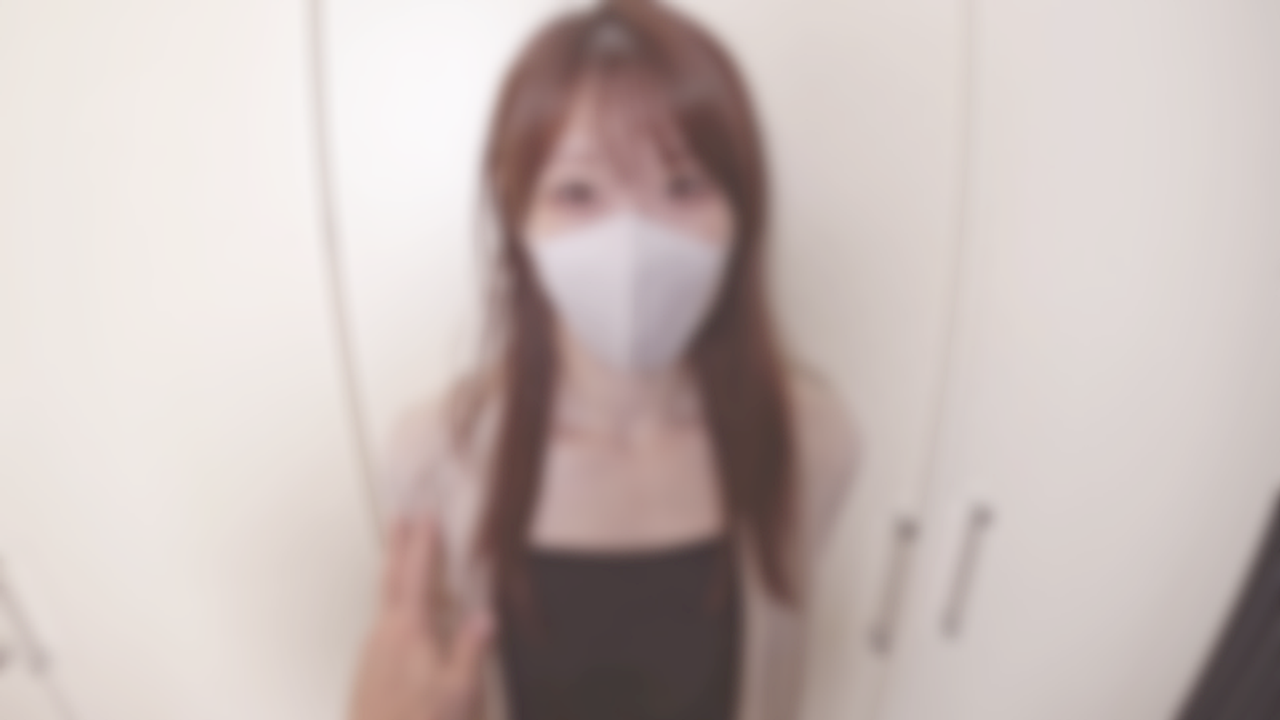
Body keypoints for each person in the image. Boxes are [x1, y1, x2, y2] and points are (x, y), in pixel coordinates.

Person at [348, 1, 859, 719]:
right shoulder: (435, 454)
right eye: (578, 192)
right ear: (518, 222)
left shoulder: (811, 438)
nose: (632, 242)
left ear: (742, 212)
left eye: (683, 185)